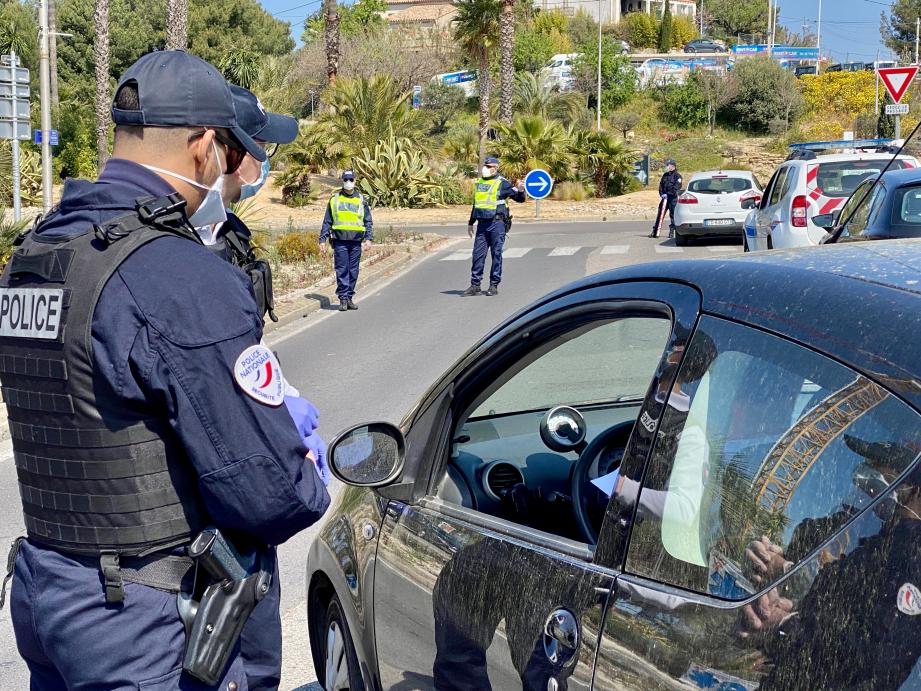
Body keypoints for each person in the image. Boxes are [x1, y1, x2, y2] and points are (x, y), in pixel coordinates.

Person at [0, 51, 330, 689]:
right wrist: (307, 469)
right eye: (232, 153)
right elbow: (268, 494)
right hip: (147, 623)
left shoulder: (39, 253)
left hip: (52, 593)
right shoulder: (177, 275)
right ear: (206, 146)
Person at [195, 84, 326, 691]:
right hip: (209, 541)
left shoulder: (226, 237)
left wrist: (286, 401)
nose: (264, 164)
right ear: (220, 151)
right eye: (260, 148)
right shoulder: (171, 254)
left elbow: (248, 355)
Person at [463, 156, 525, 297]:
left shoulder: (502, 183)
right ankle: (475, 285)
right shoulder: (479, 182)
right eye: (485, 165)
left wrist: (521, 190)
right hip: (482, 225)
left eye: (489, 166)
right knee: (477, 255)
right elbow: (476, 204)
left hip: (497, 224)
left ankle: (493, 285)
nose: (486, 168)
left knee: (496, 255)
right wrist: (470, 222)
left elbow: (519, 199)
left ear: (495, 168)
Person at [319, 170, 373, 312]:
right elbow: (327, 221)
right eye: (346, 179)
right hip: (340, 241)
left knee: (353, 271)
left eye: (351, 179)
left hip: (356, 241)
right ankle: (342, 298)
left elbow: (368, 220)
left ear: (355, 181)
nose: (348, 182)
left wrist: (369, 238)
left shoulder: (361, 199)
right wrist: (322, 240)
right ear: (342, 181)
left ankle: (349, 297)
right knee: (342, 270)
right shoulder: (335, 199)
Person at [650, 158, 682, 239]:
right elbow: (661, 186)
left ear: (673, 166)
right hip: (664, 199)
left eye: (668, 165)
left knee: (673, 215)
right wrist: (662, 194)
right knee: (660, 213)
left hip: (672, 199)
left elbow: (676, 188)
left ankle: (672, 232)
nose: (667, 167)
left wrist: (669, 194)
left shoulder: (677, 176)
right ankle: (655, 231)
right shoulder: (665, 175)